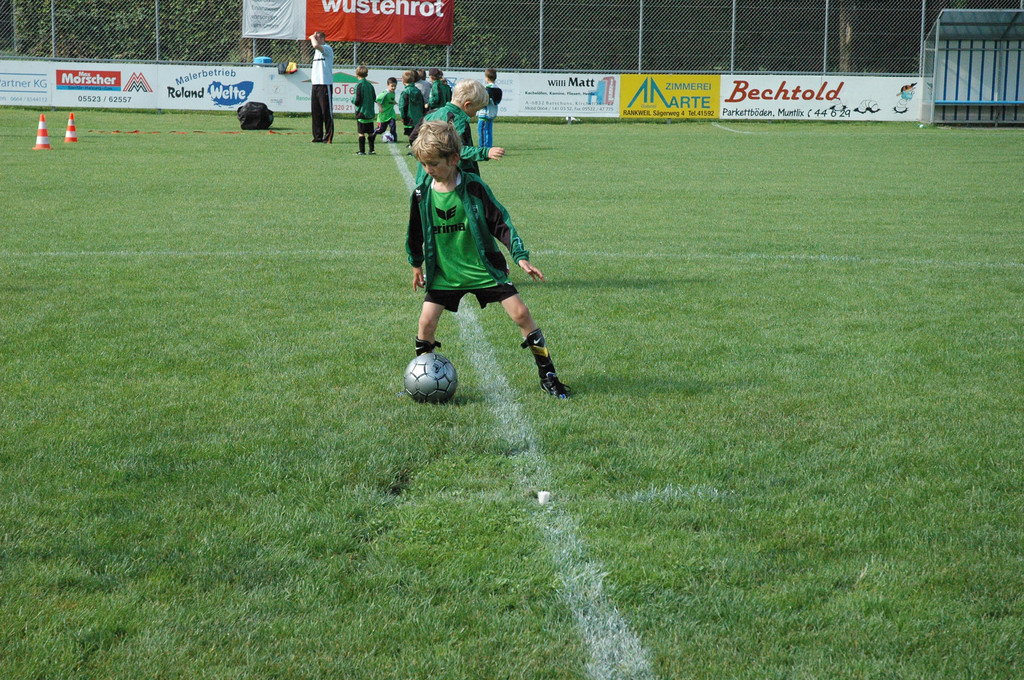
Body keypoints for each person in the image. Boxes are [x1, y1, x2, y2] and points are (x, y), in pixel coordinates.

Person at [406, 120, 570, 398]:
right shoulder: (422, 194)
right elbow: (415, 232)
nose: (427, 169)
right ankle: (422, 381)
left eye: (433, 163)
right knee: (426, 324)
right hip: (446, 273)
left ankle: (549, 375)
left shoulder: (474, 187)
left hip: (483, 269)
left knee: (521, 314)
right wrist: (416, 264)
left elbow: (500, 222)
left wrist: (519, 256)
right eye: (423, 164)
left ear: (454, 159)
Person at [414, 78, 504, 185]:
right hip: (447, 181)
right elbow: (459, 150)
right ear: (467, 105)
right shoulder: (458, 121)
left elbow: (413, 138)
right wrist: (485, 152)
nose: (475, 114)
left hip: (424, 178)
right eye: (476, 110)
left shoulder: (431, 114)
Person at [308, 31, 334, 143]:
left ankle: (328, 137)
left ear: (322, 38)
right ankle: (317, 136)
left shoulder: (327, 48)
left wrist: (311, 37)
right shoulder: (316, 52)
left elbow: (315, 45)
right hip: (316, 84)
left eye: (317, 37)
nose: (315, 39)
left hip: (325, 84)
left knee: (326, 112)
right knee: (316, 112)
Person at [398, 70, 426, 154]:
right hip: (418, 116)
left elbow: (403, 106)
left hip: (409, 116)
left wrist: (402, 116)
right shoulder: (418, 91)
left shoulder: (405, 92)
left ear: (403, 80)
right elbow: (422, 103)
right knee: (417, 133)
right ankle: (417, 149)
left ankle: (413, 150)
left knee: (410, 134)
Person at [351, 65, 376, 155]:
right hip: (370, 113)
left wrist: (352, 100)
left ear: (357, 74)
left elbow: (357, 100)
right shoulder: (370, 85)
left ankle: (362, 151)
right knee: (370, 133)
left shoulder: (359, 85)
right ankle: (371, 150)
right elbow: (374, 97)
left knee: (361, 133)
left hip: (362, 113)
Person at [478, 67, 501, 147]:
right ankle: (489, 147)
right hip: (492, 113)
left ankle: (483, 149)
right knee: (489, 132)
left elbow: (483, 102)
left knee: (482, 132)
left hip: (484, 114)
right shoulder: (498, 90)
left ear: (487, 78)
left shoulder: (486, 90)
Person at [371, 77, 399, 143]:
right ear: (388, 85)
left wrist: (395, 102)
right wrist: (380, 107)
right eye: (392, 86)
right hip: (383, 115)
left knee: (393, 127)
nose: (393, 88)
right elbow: (377, 100)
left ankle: (394, 139)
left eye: (395, 86)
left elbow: (391, 100)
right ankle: (372, 135)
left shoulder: (393, 93)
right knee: (381, 129)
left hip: (391, 114)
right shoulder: (385, 93)